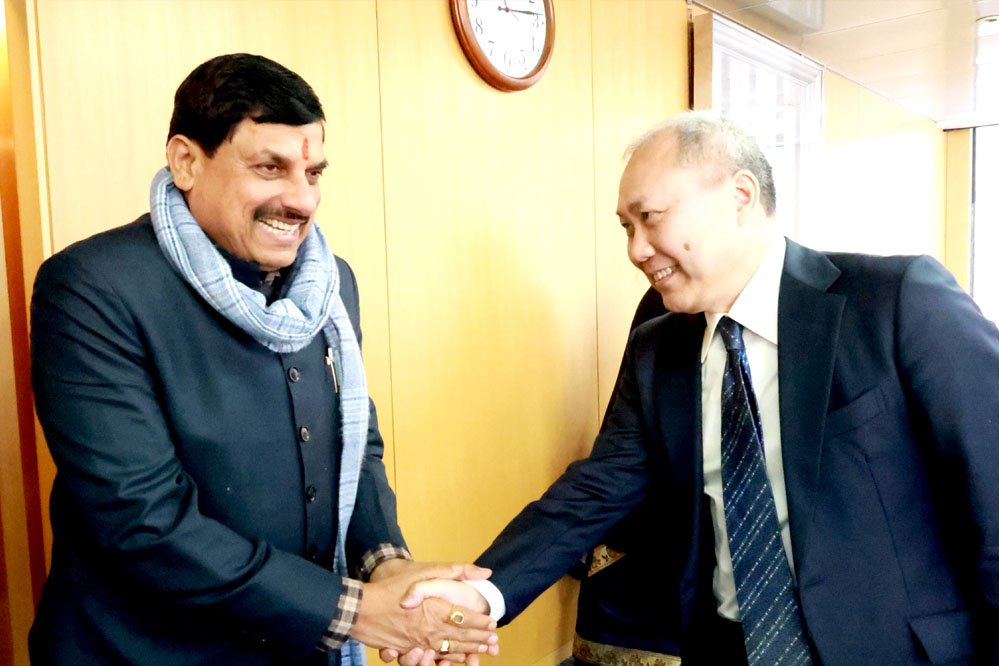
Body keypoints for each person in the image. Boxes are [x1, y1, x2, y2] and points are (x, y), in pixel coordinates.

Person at [398, 112, 999, 666]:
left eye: (651, 217)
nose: (636, 249)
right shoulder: (658, 349)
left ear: (740, 196)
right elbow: (593, 492)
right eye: (626, 227)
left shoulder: (894, 302)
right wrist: (481, 594)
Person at [28, 53, 498, 666]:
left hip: (300, 645)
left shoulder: (330, 284)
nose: (302, 200)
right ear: (186, 161)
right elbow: (143, 521)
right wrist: (359, 612)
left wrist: (388, 568)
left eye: (313, 173)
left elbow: (354, 447)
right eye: (269, 168)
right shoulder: (93, 288)